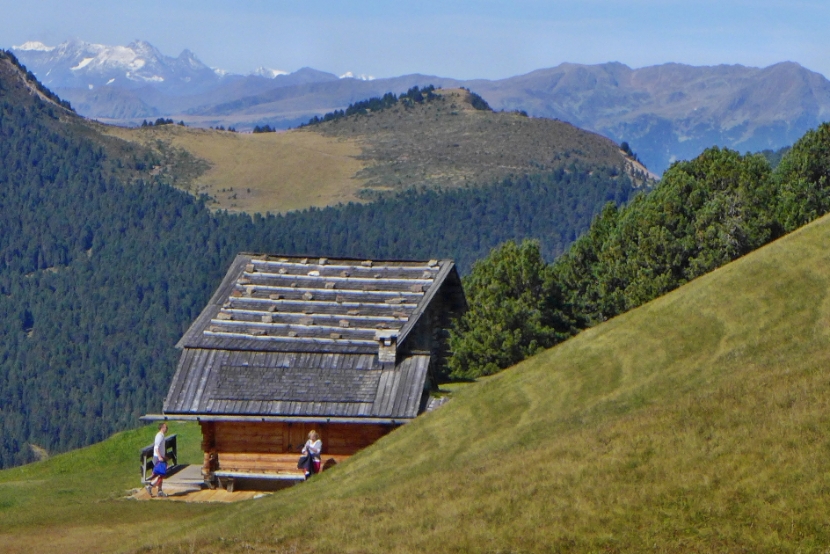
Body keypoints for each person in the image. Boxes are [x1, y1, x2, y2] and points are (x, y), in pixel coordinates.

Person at [146, 423, 168, 497]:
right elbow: (156, 447)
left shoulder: (161, 436)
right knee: (161, 474)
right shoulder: (159, 436)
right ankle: (150, 486)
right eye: (165, 427)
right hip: (158, 458)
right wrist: (160, 457)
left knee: (159, 474)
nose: (167, 428)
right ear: (162, 428)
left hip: (160, 457)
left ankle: (160, 491)